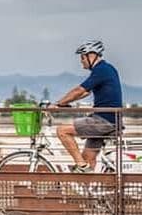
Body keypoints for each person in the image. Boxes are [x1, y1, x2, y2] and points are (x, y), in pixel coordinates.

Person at [52, 40, 123, 173]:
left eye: (82, 57)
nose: (81, 61)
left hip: (104, 120)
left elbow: (80, 90)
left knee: (62, 131)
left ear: (92, 55)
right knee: (88, 159)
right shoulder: (106, 69)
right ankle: (88, 181)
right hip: (109, 119)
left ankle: (81, 166)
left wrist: (58, 103)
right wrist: (65, 103)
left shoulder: (101, 70)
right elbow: (86, 92)